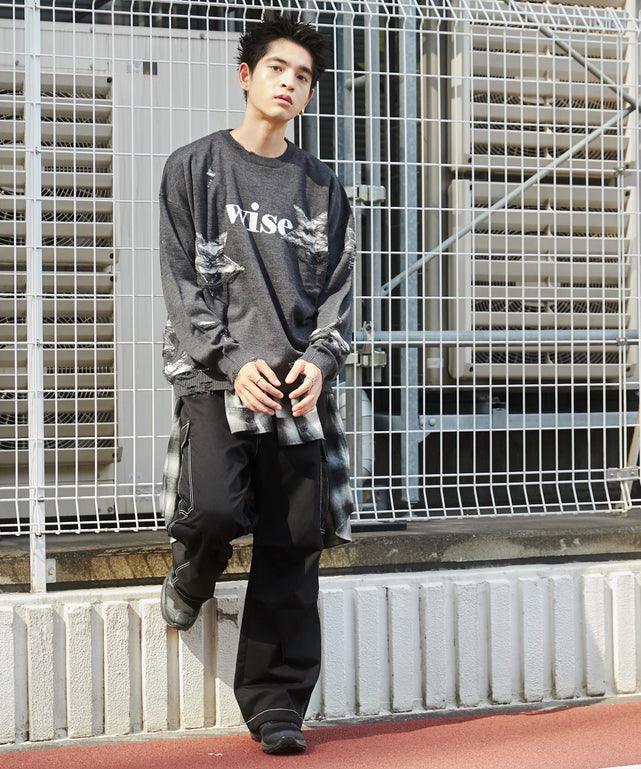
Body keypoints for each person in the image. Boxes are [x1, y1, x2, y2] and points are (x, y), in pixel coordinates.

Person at [158, 14, 355, 756]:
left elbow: (339, 290)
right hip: (217, 378)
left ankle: (276, 703)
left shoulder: (322, 186)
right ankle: (194, 568)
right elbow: (180, 279)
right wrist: (229, 358)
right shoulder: (193, 168)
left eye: (303, 76)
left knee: (293, 541)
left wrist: (321, 360)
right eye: (277, 68)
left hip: (295, 384)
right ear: (246, 75)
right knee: (214, 506)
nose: (289, 84)